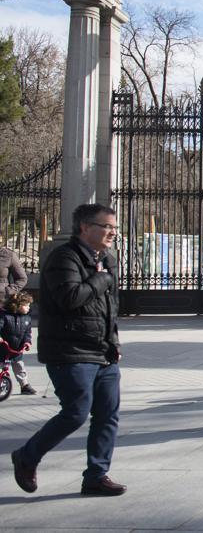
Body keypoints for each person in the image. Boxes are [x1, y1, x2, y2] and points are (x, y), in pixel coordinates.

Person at [11, 203, 126, 496]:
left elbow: (110, 308)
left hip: (103, 351)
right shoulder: (63, 258)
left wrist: (114, 342)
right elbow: (70, 298)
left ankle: (96, 475)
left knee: (107, 415)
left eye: (114, 226)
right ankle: (27, 455)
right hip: (69, 351)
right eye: (107, 226)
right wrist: (101, 279)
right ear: (85, 227)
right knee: (76, 412)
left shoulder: (108, 259)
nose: (113, 232)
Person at [0, 291, 36, 395]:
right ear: (18, 305)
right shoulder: (4, 316)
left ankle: (24, 385)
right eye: (26, 305)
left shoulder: (27, 318)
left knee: (19, 367)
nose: (28, 308)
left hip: (16, 349)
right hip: (3, 347)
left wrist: (27, 342)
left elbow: (27, 333)